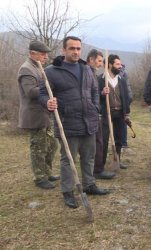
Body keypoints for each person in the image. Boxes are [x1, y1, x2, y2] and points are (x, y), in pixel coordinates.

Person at [40, 36, 110, 209]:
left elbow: (94, 90)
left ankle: (89, 184)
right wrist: (47, 102)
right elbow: (42, 93)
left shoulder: (86, 69)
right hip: (68, 122)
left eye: (78, 48)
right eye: (72, 48)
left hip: (89, 121)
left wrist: (95, 107)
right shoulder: (52, 71)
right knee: (68, 159)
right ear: (64, 50)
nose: (76, 51)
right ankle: (68, 191)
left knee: (89, 156)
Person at [18, 40, 58, 189]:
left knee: (52, 145)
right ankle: (40, 177)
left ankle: (47, 172)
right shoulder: (26, 69)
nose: (46, 56)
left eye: (46, 54)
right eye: (42, 53)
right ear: (32, 53)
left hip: (45, 113)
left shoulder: (39, 68)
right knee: (38, 147)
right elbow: (30, 92)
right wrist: (50, 89)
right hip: (34, 115)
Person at [86, 49, 116, 180]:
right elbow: (86, 95)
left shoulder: (92, 73)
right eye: (99, 61)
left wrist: (102, 93)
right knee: (95, 143)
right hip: (90, 114)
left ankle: (97, 168)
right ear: (91, 60)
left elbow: (94, 93)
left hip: (95, 112)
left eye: (102, 61)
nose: (101, 63)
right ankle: (96, 170)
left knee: (98, 142)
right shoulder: (87, 73)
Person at [98, 54, 131, 170]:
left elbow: (126, 97)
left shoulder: (121, 80)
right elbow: (94, 97)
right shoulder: (100, 80)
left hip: (119, 113)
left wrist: (126, 113)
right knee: (104, 138)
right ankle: (100, 164)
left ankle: (117, 160)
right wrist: (102, 93)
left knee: (118, 138)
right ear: (110, 65)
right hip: (105, 113)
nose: (120, 66)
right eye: (117, 64)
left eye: (120, 64)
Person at [119, 64, 133, 153]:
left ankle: (123, 144)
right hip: (112, 104)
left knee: (123, 124)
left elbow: (127, 89)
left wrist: (127, 103)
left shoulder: (124, 74)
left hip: (123, 102)